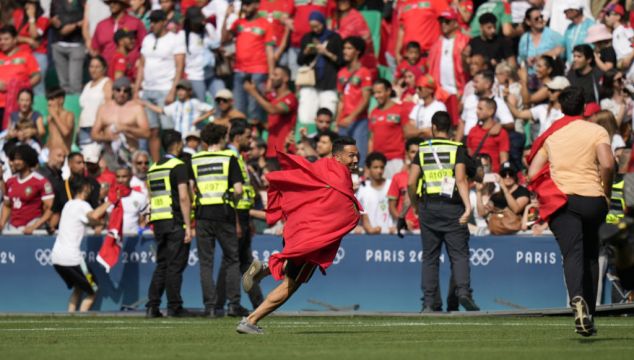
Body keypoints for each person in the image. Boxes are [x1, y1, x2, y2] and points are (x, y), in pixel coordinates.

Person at [237, 136, 362, 334]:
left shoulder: (322, 166)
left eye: (357, 155)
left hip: (298, 228)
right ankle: (250, 321)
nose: (356, 160)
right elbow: (342, 207)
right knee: (291, 284)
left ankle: (265, 268)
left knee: (292, 268)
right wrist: (353, 212)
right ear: (337, 157)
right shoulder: (340, 177)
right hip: (312, 237)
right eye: (351, 156)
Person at [527, 86, 614, 336]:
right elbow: (607, 164)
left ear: (561, 107)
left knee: (572, 255)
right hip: (593, 199)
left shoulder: (552, 135)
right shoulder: (597, 130)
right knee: (590, 255)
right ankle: (590, 313)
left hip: (563, 201)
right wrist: (605, 192)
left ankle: (577, 300)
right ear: (585, 107)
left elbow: (533, 173)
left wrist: (549, 185)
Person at [407, 111, 479, 312]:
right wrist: (467, 206)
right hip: (453, 206)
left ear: (433, 127)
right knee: (459, 255)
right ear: (451, 128)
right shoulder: (457, 148)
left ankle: (429, 303)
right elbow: (461, 178)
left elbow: (411, 182)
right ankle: (463, 292)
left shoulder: (422, 149)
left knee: (430, 257)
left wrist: (415, 205)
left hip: (428, 207)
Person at [192, 124, 249, 317]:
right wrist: (231, 201)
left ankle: (210, 307)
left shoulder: (195, 159)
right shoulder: (228, 158)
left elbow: (191, 188)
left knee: (206, 263)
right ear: (222, 138)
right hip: (224, 213)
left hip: (202, 213)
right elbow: (239, 190)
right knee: (232, 259)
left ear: (205, 140)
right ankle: (233, 304)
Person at [214, 122, 263, 315]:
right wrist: (236, 220)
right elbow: (232, 192)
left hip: (242, 215)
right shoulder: (231, 157)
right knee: (233, 261)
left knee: (242, 261)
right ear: (237, 137)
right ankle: (228, 304)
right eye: (247, 137)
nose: (250, 141)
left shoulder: (237, 157)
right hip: (234, 215)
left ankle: (256, 303)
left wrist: (247, 218)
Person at [146, 129, 193, 318]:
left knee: (162, 264)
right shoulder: (179, 166)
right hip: (175, 220)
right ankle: (175, 306)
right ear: (178, 144)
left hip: (159, 221)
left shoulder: (153, 167)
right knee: (175, 265)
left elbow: (152, 197)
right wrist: (189, 226)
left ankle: (153, 306)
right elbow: (183, 197)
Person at [51, 176, 111, 312]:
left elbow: (89, 220)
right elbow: (94, 216)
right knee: (93, 289)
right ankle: (82, 319)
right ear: (85, 188)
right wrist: (110, 201)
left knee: (79, 287)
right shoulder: (82, 205)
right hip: (72, 259)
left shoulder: (68, 204)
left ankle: (70, 317)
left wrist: (101, 224)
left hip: (56, 258)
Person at [135, 9, 186, 163]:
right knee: (153, 131)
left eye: (156, 21)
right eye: (152, 21)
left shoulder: (175, 39)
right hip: (148, 89)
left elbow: (180, 66)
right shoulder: (147, 39)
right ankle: (158, 165)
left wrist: (173, 90)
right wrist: (137, 88)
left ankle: (174, 161)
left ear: (164, 22)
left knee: (169, 130)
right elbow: (142, 65)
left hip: (165, 88)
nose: (153, 24)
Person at [222, 0, 275, 124]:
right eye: (243, 4)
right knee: (239, 109)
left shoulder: (266, 24)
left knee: (254, 110)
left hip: (258, 71)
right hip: (239, 70)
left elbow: (270, 50)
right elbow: (224, 39)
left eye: (248, 4)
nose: (245, 7)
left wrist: (271, 77)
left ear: (256, 4)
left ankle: (255, 139)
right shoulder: (239, 23)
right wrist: (226, 17)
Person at [296, 11, 343, 125]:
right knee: (306, 115)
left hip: (328, 82)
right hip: (310, 81)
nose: (315, 29)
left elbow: (341, 61)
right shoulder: (307, 37)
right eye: (312, 27)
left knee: (327, 115)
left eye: (318, 26)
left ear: (323, 23)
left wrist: (326, 52)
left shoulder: (334, 38)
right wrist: (306, 52)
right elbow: (300, 61)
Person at [92, 77, 150, 167]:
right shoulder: (103, 108)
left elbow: (146, 133)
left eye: (125, 91)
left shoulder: (136, 108)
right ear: (113, 91)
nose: (121, 93)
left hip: (130, 154)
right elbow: (94, 134)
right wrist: (107, 137)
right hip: (109, 155)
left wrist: (127, 128)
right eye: (118, 90)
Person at [244, 66, 297, 164]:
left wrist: (253, 92)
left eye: (276, 75)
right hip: (271, 151)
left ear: (285, 78)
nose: (271, 78)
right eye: (271, 75)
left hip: (284, 151)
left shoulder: (291, 98)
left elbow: (272, 110)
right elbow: (272, 125)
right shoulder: (272, 98)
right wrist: (260, 124)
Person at [0, 145, 54, 234]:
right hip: (13, 229)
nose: (16, 162)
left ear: (28, 159)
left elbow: (51, 207)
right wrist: (1, 223)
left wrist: (35, 226)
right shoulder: (10, 181)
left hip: (31, 229)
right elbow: (7, 205)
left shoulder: (41, 181)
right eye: (14, 159)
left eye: (19, 159)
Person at [336, 36, 372, 168]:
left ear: (357, 51)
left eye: (349, 48)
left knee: (359, 156)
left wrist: (351, 117)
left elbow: (366, 98)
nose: (345, 51)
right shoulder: (341, 73)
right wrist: (337, 120)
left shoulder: (364, 72)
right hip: (343, 121)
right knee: (342, 158)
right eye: (344, 48)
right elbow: (341, 100)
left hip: (359, 120)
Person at [0, 25, 40, 127]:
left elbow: (37, 77)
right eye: (0, 39)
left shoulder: (26, 55)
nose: (2, 42)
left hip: (18, 106)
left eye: (6, 39)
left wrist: (21, 88)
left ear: (15, 40)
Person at [142, 79, 213, 136]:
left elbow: (212, 110)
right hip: (178, 137)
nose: (180, 92)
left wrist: (199, 119)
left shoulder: (194, 102)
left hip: (191, 136)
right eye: (178, 90)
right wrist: (147, 104)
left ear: (190, 91)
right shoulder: (175, 105)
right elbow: (162, 111)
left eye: (183, 90)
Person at [427, 8, 470, 97]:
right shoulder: (436, 44)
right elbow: (430, 67)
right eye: (441, 21)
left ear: (455, 23)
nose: (443, 24)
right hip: (440, 92)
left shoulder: (465, 41)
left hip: (459, 90)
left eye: (447, 21)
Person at [90, 0, 146, 65]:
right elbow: (95, 50)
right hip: (106, 71)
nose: (111, 5)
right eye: (110, 2)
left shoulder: (136, 23)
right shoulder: (101, 25)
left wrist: (140, 63)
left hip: (130, 71)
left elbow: (145, 47)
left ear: (123, 4)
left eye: (115, 2)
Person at [49, 0, 85, 94]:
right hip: (58, 45)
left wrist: (74, 26)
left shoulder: (82, 2)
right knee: (63, 85)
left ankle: (75, 107)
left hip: (77, 44)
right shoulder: (55, 2)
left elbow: (86, 19)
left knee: (75, 84)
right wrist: (53, 21)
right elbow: (53, 19)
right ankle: (65, 107)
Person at [14, 0, 49, 96]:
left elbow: (34, 35)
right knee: (21, 87)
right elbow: (13, 36)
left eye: (32, 4)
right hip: (21, 55)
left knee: (38, 87)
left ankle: (38, 110)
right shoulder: (18, 14)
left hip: (38, 55)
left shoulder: (43, 17)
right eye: (27, 3)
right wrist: (28, 40)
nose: (29, 6)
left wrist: (31, 17)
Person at [388, 138, 422, 234]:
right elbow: (392, 207)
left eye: (419, 152)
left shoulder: (428, 176)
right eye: (412, 152)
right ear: (407, 154)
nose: (416, 155)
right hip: (404, 229)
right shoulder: (397, 177)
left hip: (425, 228)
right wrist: (402, 221)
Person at [467, 98, 510, 173]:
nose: (477, 111)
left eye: (480, 109)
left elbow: (504, 159)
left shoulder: (501, 133)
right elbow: (469, 156)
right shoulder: (472, 131)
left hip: (492, 175)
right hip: (475, 175)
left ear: (491, 111)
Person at [517, 7, 564, 75]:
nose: (540, 20)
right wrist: (526, 61)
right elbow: (521, 59)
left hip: (550, 76)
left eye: (541, 17)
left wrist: (541, 56)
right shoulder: (524, 38)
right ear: (528, 22)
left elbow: (562, 50)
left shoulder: (553, 34)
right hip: (532, 77)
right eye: (536, 18)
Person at [357, 152, 394, 234]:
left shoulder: (392, 184)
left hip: (390, 234)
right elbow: (361, 212)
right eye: (375, 167)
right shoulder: (362, 188)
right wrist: (368, 228)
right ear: (368, 168)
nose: (379, 171)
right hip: (368, 235)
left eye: (381, 167)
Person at [78, 56, 112, 147]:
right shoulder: (87, 85)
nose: (94, 70)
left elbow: (109, 106)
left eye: (97, 67)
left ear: (104, 69)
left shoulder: (106, 82)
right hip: (84, 127)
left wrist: (104, 128)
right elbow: (83, 108)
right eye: (91, 67)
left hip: (97, 127)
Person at [111, 166, 147, 235]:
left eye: (124, 176)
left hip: (133, 239)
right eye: (118, 177)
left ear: (130, 177)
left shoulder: (140, 197)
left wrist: (140, 230)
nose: (121, 180)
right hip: (115, 240)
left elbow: (144, 219)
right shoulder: (109, 198)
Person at [408, 75, 447, 139]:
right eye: (416, 88)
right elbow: (410, 130)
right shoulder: (417, 107)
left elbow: (437, 131)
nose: (417, 91)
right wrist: (423, 131)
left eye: (420, 88)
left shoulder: (440, 106)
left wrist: (418, 132)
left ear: (430, 90)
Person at [44, 88, 75, 157]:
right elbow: (52, 137)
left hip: (64, 155)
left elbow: (66, 133)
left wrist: (55, 116)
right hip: (51, 155)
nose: (49, 103)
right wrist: (44, 150)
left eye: (52, 99)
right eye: (48, 100)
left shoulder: (69, 115)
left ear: (61, 100)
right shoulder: (50, 118)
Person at [562, 0, 593, 66]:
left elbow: (594, 47)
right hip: (570, 67)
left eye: (566, 10)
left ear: (576, 10)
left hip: (586, 68)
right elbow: (563, 47)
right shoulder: (569, 27)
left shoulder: (591, 24)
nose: (564, 12)